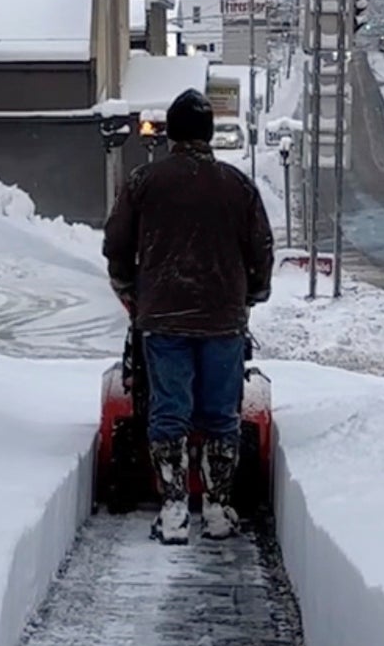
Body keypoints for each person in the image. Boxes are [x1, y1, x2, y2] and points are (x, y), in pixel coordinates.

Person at [104, 87, 273, 543]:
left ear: (172, 133)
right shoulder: (238, 187)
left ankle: (175, 507)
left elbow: (116, 246)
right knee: (221, 414)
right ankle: (217, 508)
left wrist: (131, 291)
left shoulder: (143, 183)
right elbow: (261, 250)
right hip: (222, 320)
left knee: (168, 411)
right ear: (210, 134)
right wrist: (252, 294)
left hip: (162, 318)